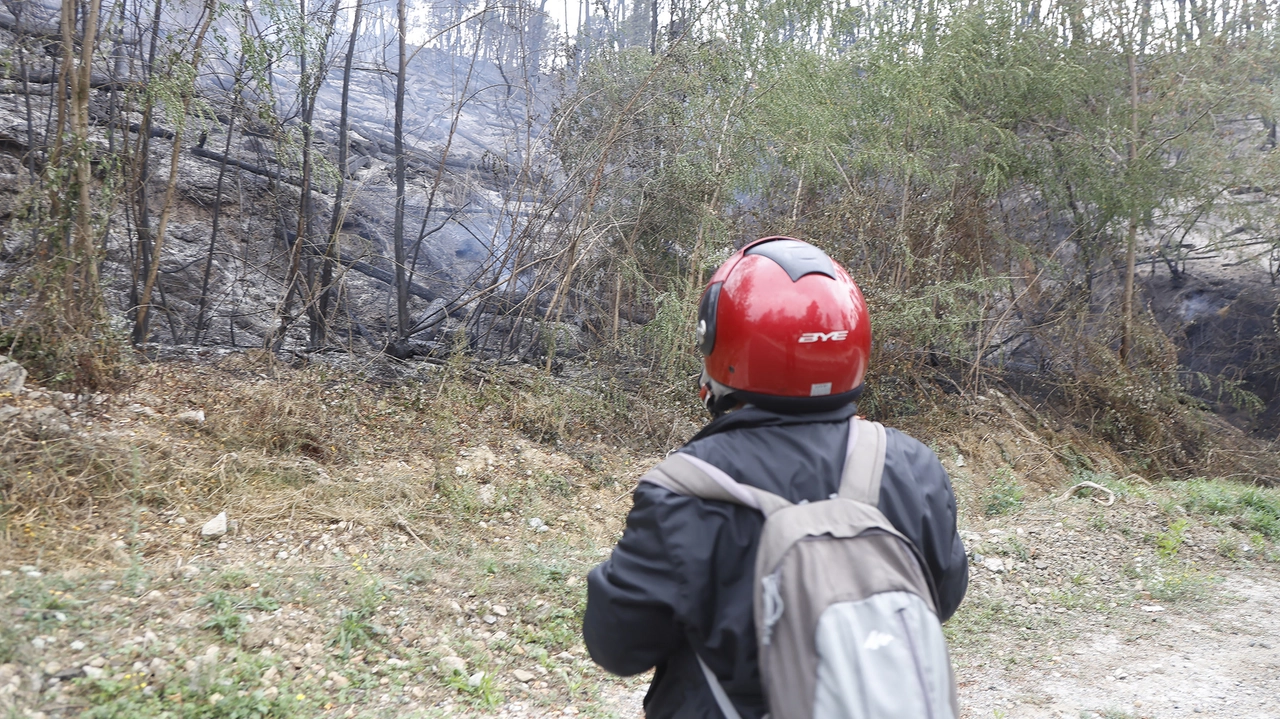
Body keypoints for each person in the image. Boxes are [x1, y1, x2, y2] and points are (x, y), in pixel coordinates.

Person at [582, 236, 969, 719]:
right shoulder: (913, 466)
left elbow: (617, 646)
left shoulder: (683, 490)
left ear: (720, 342)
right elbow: (943, 598)